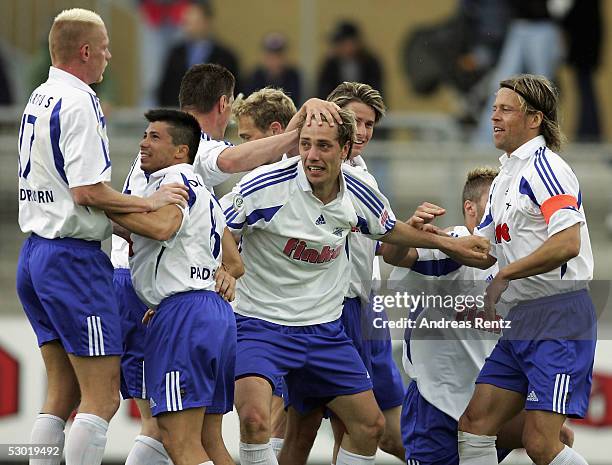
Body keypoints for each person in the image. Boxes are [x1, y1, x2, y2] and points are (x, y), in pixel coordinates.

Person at [220, 109, 490, 465]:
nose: (312, 156)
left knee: (369, 426)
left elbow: (390, 229)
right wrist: (228, 265)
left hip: (323, 330)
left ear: (345, 150)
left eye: (323, 146)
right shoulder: (266, 185)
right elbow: (217, 223)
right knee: (256, 420)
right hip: (260, 324)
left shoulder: (360, 191)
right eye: (305, 145)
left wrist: (448, 244)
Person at [16, 9, 187, 465]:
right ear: (86, 51)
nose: (111, 55)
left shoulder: (40, 95)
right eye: (106, 47)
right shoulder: (80, 101)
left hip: (35, 253)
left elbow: (65, 191)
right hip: (71, 261)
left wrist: (119, 220)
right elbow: (87, 190)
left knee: (61, 394)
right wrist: (147, 204)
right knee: (102, 399)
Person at [454, 74, 595, 465]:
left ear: (534, 118)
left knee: (541, 443)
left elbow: (568, 242)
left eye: (504, 109)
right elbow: (482, 249)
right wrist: (424, 239)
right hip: (523, 319)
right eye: (494, 108)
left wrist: (505, 274)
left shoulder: (547, 169)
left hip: (559, 317)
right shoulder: (505, 177)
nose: (493, 116)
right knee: (475, 425)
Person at [279, 82, 406, 464]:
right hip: (321, 309)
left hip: (363, 307)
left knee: (360, 427)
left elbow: (376, 238)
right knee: (310, 426)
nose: (363, 132)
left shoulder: (364, 176)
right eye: (355, 121)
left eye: (369, 125)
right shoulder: (304, 171)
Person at [108, 109, 243, 465]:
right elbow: (236, 262)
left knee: (176, 438)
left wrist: (101, 204)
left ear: (181, 150)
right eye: (144, 135)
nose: (143, 143)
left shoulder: (174, 183)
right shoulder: (204, 191)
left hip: (185, 315)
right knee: (209, 441)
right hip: (213, 312)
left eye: (154, 137)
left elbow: (163, 227)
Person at [231, 86, 298, 456]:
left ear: (275, 132)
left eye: (246, 138)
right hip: (259, 319)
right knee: (263, 420)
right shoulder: (247, 188)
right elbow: (216, 234)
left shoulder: (314, 180)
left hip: (314, 320)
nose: (241, 149)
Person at [157, 1, 241, 106]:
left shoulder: (226, 57)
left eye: (194, 20)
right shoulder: (175, 54)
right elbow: (164, 91)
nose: (188, 25)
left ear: (207, 22)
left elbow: (234, 93)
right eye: (186, 21)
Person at [317, 21, 383, 99]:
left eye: (342, 43)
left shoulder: (370, 63)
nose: (338, 47)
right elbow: (323, 91)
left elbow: (377, 91)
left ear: (355, 42)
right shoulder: (330, 65)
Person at [245, 32, 302, 105]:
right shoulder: (255, 76)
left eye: (278, 57)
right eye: (270, 57)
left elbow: (294, 101)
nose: (274, 61)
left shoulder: (293, 76)